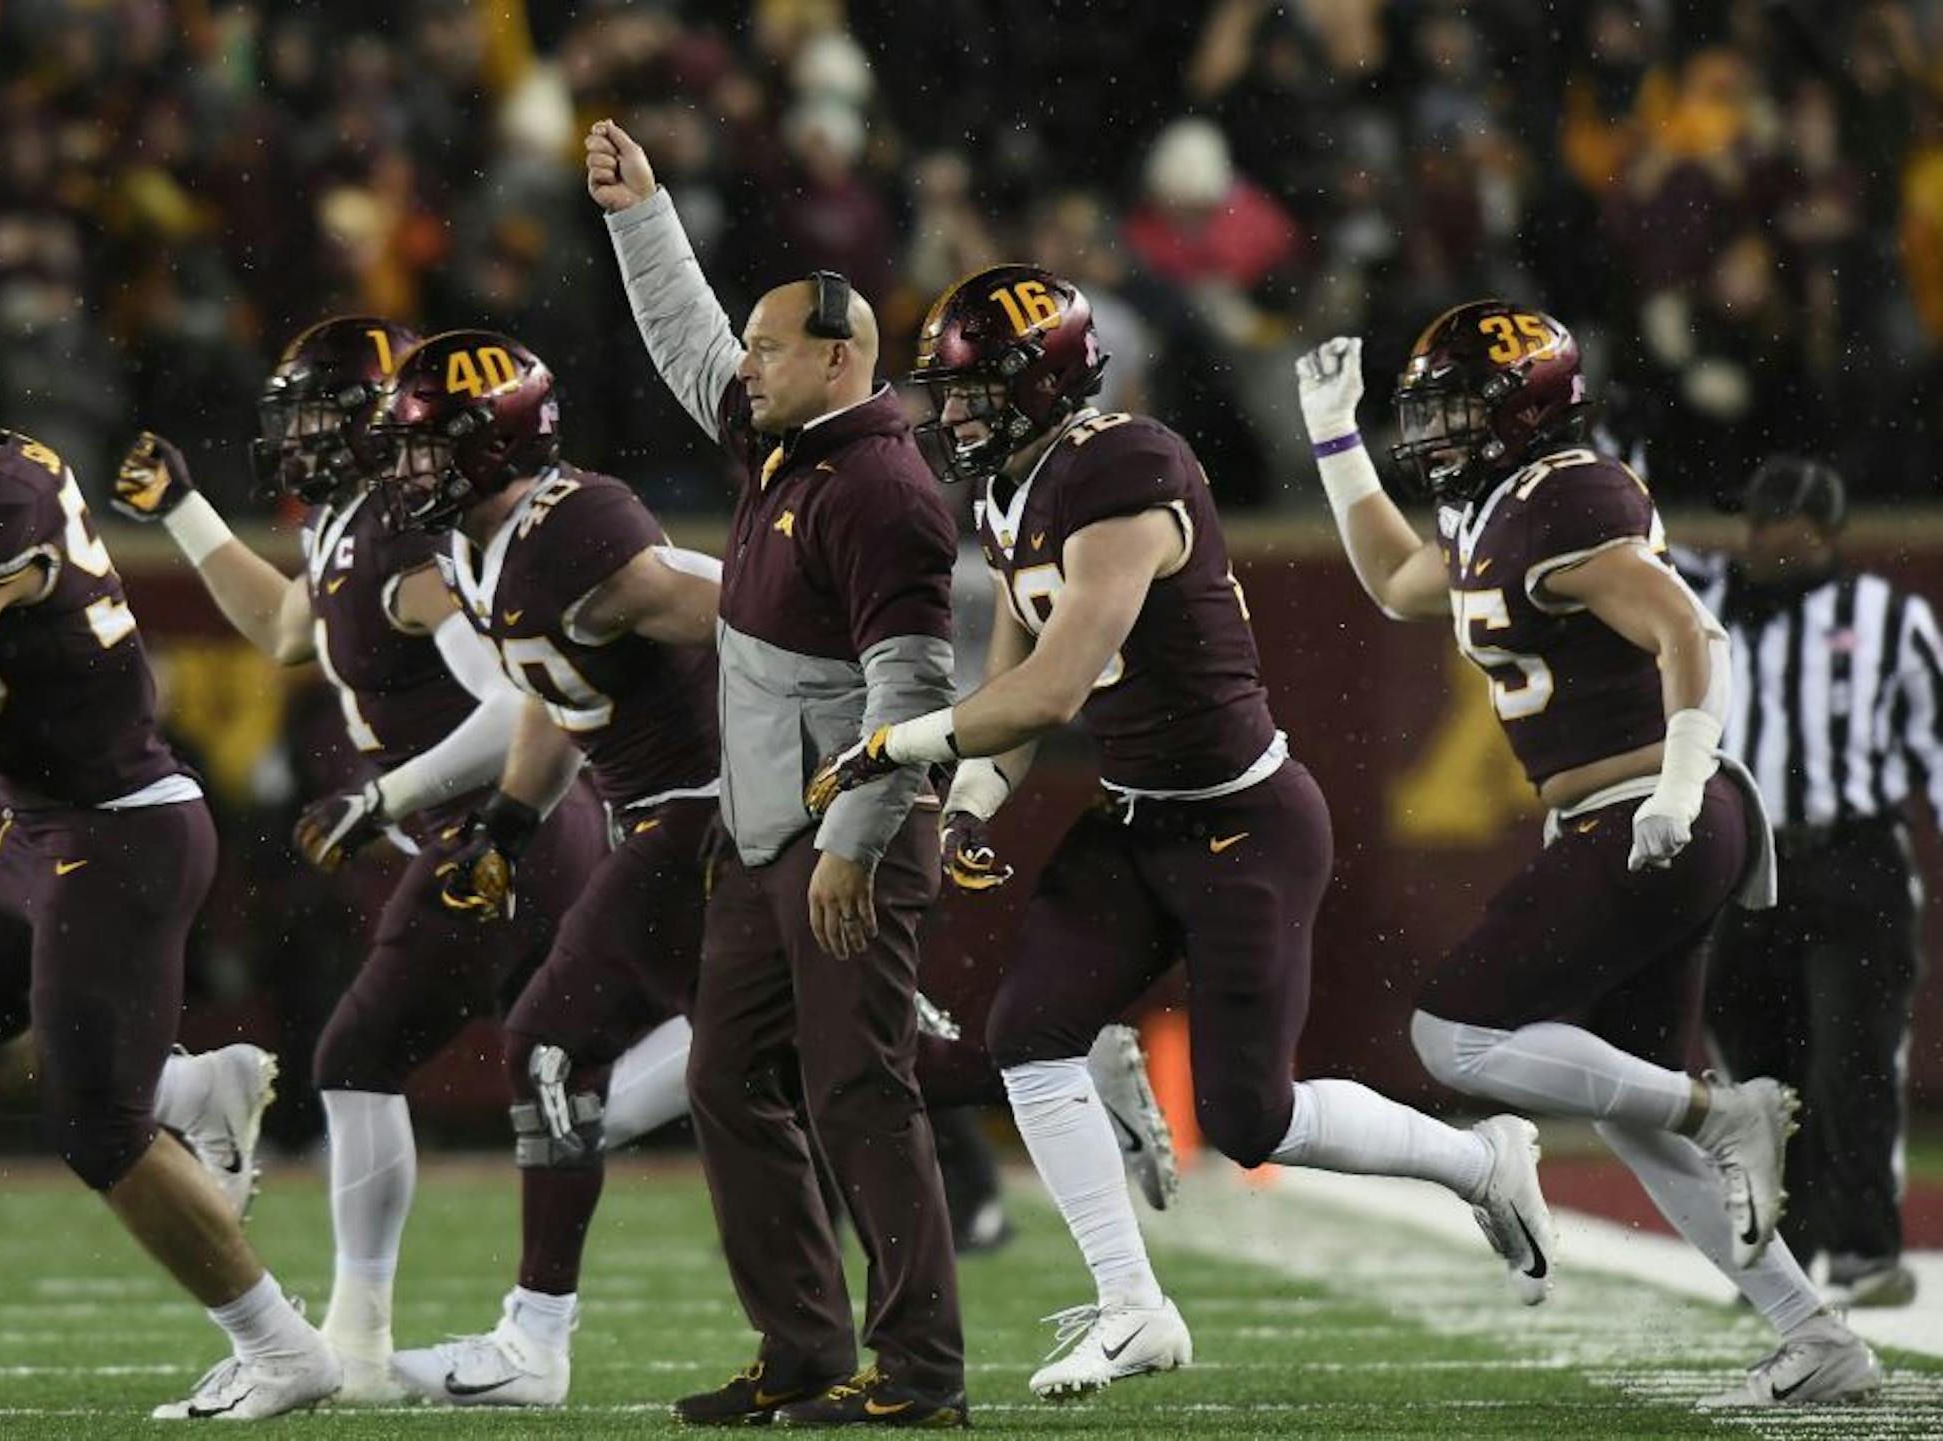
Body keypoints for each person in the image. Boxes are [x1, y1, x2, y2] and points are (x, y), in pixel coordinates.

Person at [809, 266, 1555, 1402]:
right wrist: (970, 803)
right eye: (945, 392)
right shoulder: (1014, 491)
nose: (949, 415)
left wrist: (893, 749)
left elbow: (1054, 692)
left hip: (1244, 822)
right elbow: (1012, 674)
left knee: (1252, 1117)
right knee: (1028, 1037)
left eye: (970, 391)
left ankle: (1480, 1160)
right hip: (1139, 816)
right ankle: (1131, 1305)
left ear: (1039, 384)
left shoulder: (1124, 469)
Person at [1296, 306, 1883, 1409]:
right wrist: (1334, 439)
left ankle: (1727, 1113)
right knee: (1629, 1102)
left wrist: (1673, 781)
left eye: (1461, 407)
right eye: (1428, 411)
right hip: (1623, 819)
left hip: (1652, 813)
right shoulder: (1496, 508)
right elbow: (1396, 583)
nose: (1436, 432)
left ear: (1527, 407)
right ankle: (1816, 1335)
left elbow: (1688, 635)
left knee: (1453, 1034)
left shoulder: (1566, 493)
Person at [114, 317, 692, 1404]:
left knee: (360, 1053)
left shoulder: (406, 533)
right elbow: (288, 628)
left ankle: (359, 1345)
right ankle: (738, 1048)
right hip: (491, 831)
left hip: (504, 827)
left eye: (324, 413)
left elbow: (517, 694)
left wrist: (390, 792)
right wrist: (184, 513)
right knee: (558, 1074)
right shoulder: (358, 525)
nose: (303, 436)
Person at [0, 302, 337, 1420]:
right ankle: (190, 1081)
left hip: (119, 830)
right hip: (39, 828)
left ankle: (283, 1346)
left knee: (98, 1132)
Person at [589, 118, 969, 1428]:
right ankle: (802, 1348)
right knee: (727, 1081)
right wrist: (642, 216)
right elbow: (695, 344)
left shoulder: (877, 489)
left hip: (837, 833)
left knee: (860, 1091)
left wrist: (858, 843)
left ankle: (920, 1374)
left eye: (767, 348)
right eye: (749, 348)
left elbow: (913, 691)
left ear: (840, 354)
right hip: (770, 834)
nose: (741, 367)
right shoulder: (790, 444)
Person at [355, 327, 725, 1406]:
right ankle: (1041, 1064)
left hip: (701, 820)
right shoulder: (484, 544)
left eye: (427, 447)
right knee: (797, 1069)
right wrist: (510, 824)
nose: (406, 467)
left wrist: (816, 757)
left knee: (549, 1046)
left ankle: (535, 1340)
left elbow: (757, 621)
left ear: (493, 446)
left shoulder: (578, 528)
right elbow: (557, 695)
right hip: (655, 818)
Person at [1681, 456, 1939, 1309]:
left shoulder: (1890, 619)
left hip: (1854, 858)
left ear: (1823, 534)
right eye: (1754, 522)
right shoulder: (1707, 596)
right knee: (1757, 1075)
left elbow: (1936, 745)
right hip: (1750, 859)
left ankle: (1866, 1250)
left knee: (1853, 1061)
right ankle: (1784, 1258)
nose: (1759, 539)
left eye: (1779, 525)